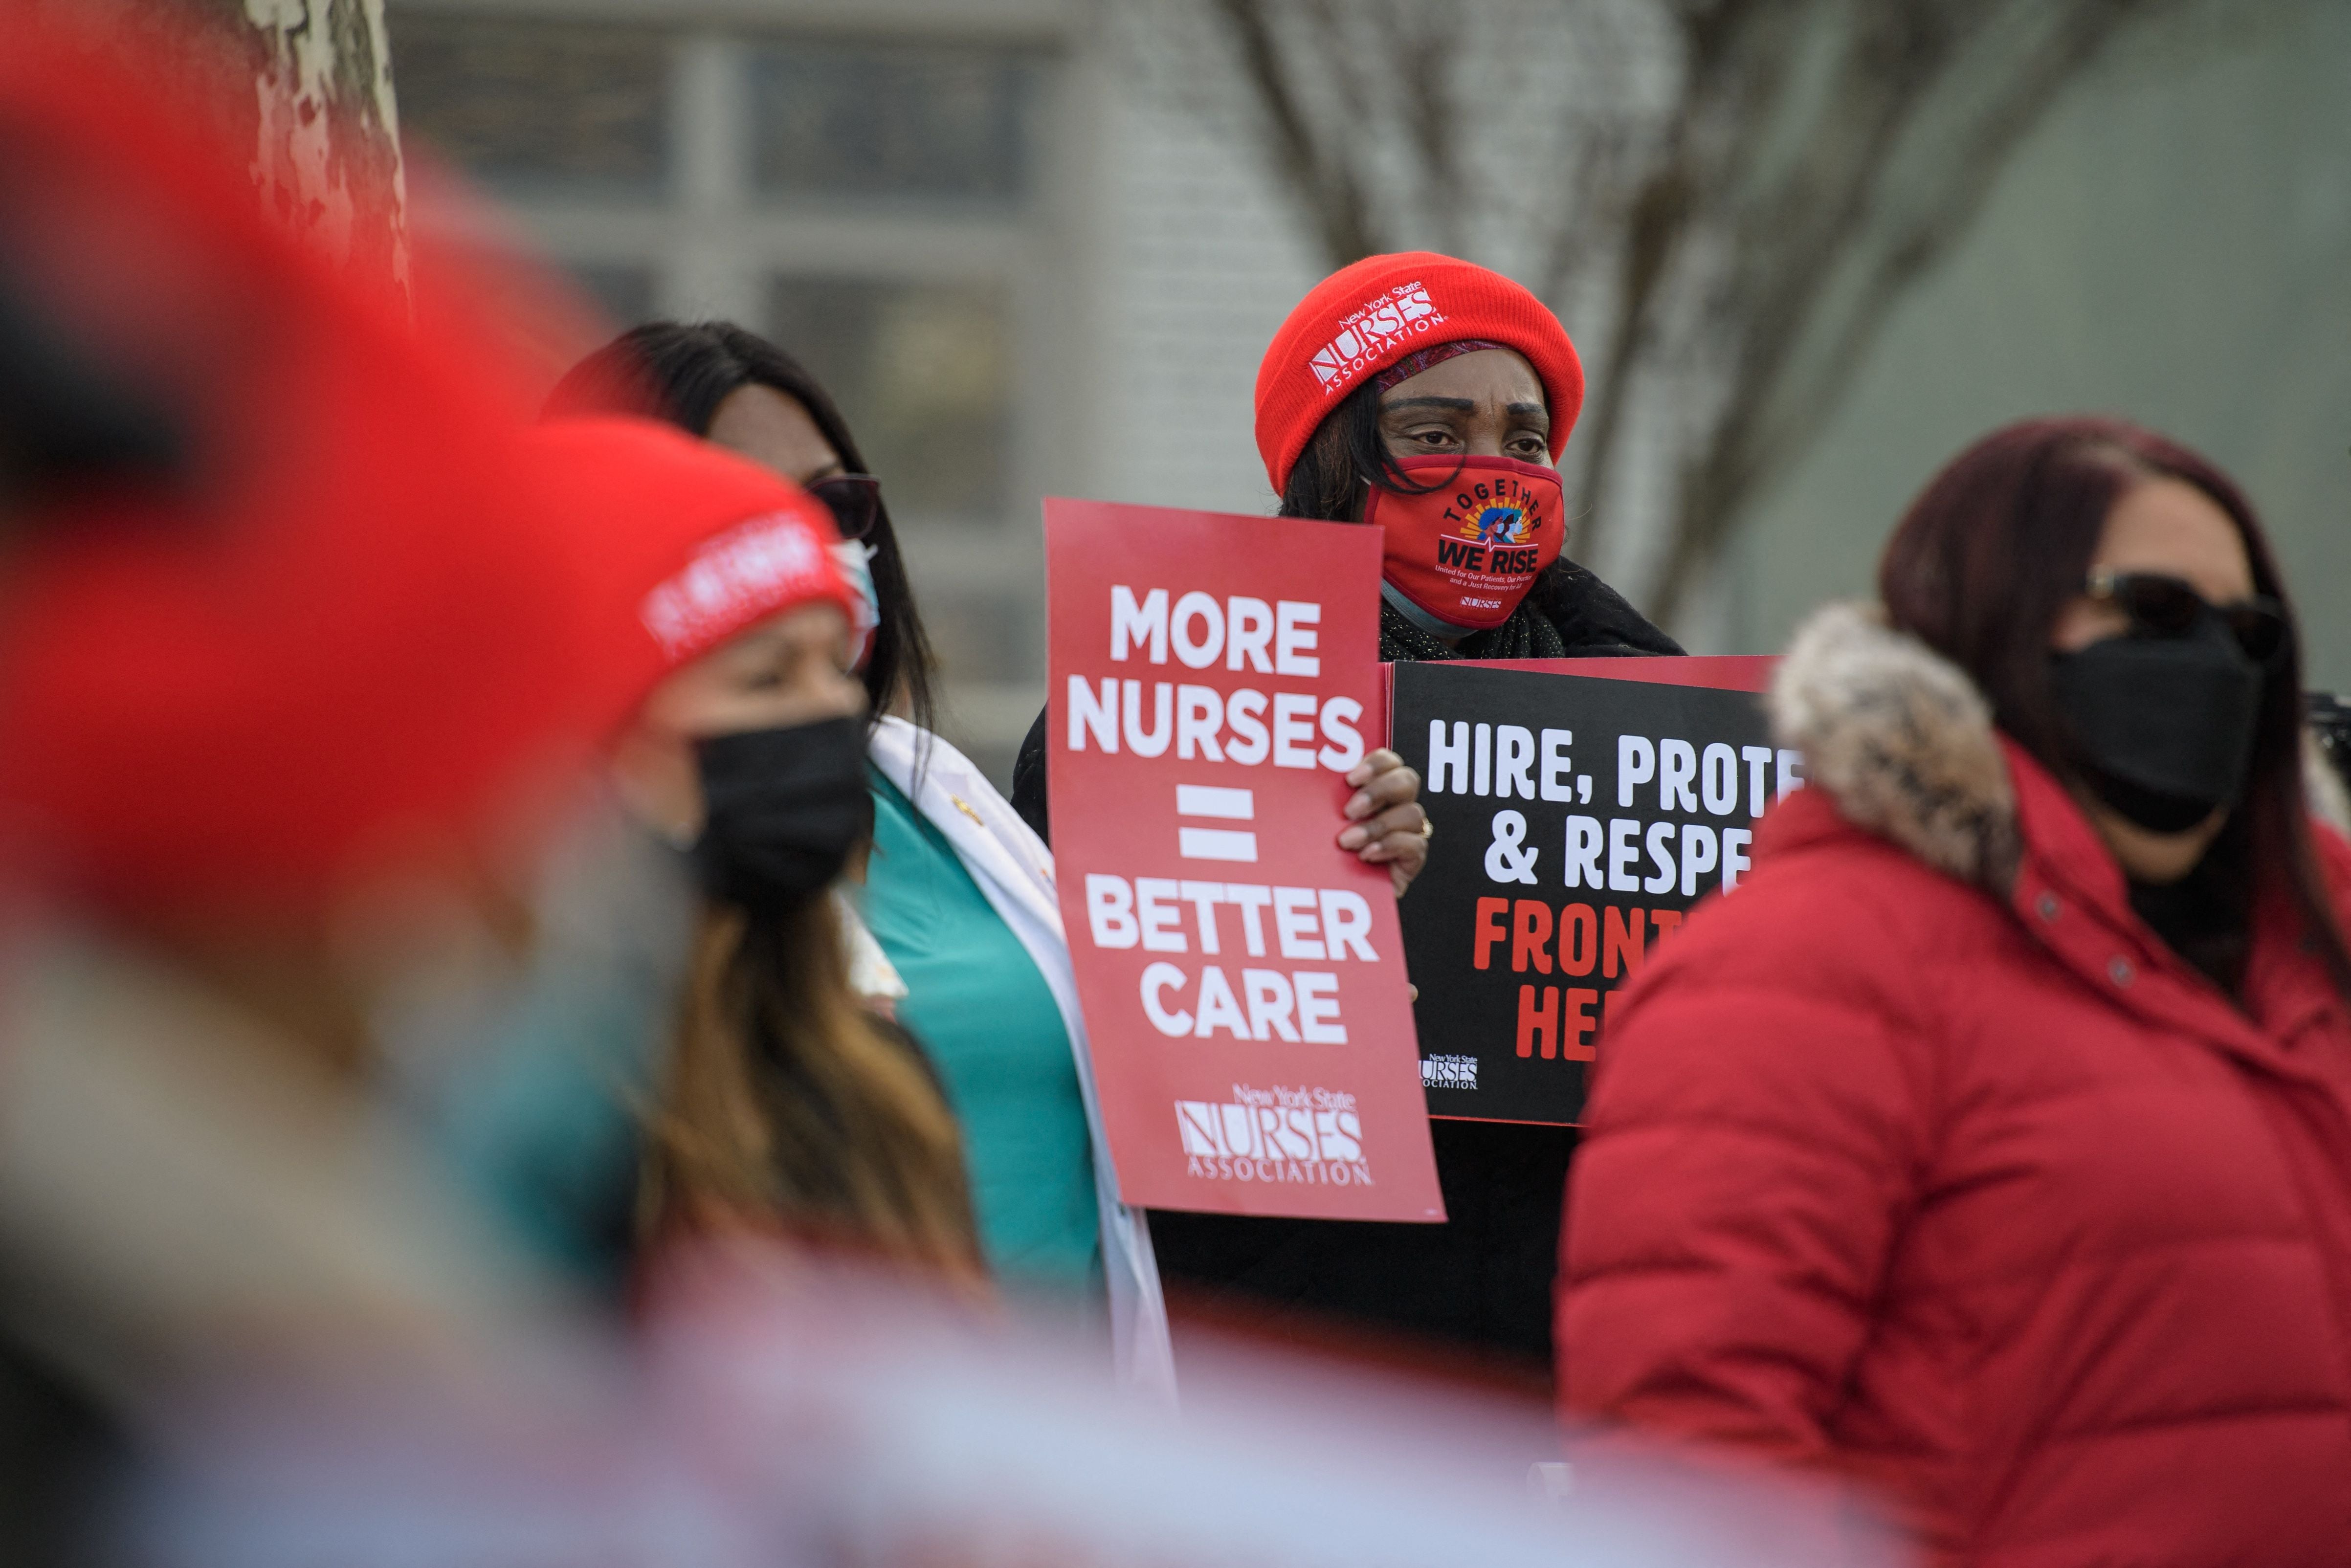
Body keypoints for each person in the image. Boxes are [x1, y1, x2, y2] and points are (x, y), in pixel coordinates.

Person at [1558, 417, 2351, 1564]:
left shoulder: (2318, 949)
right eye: (2157, 612)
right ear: (1995, 614)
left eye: (2251, 635)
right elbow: (1692, 1456)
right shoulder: (1803, 970)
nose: (2213, 667)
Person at [1012, 251, 1678, 1372]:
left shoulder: (1654, 721)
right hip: (1271, 1371)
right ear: (1332, 459)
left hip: (1558, 1381)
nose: (1493, 470)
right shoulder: (1162, 707)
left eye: (1525, 440)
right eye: (1433, 431)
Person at [542, 331, 1173, 1389]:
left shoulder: (931, 787)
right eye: (745, 505)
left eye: (831, 503)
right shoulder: (549, 896)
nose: (804, 546)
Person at [526, 416, 983, 1280]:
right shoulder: (531, 1133)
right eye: (767, 678)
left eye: (830, 666)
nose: (832, 711)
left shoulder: (882, 1087)